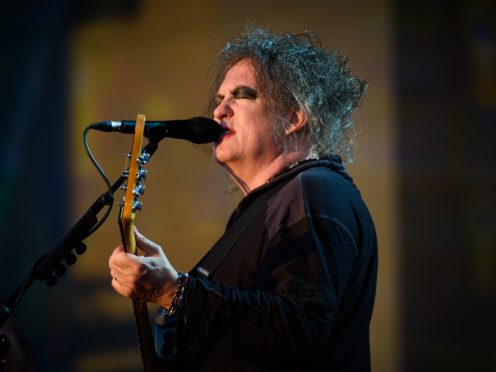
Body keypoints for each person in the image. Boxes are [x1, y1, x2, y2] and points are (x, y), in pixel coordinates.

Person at [108, 24, 377, 371]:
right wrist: (170, 299)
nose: (219, 111)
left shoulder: (313, 191)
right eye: (219, 99)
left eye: (241, 95)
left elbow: (300, 329)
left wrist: (176, 292)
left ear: (294, 117)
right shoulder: (268, 205)